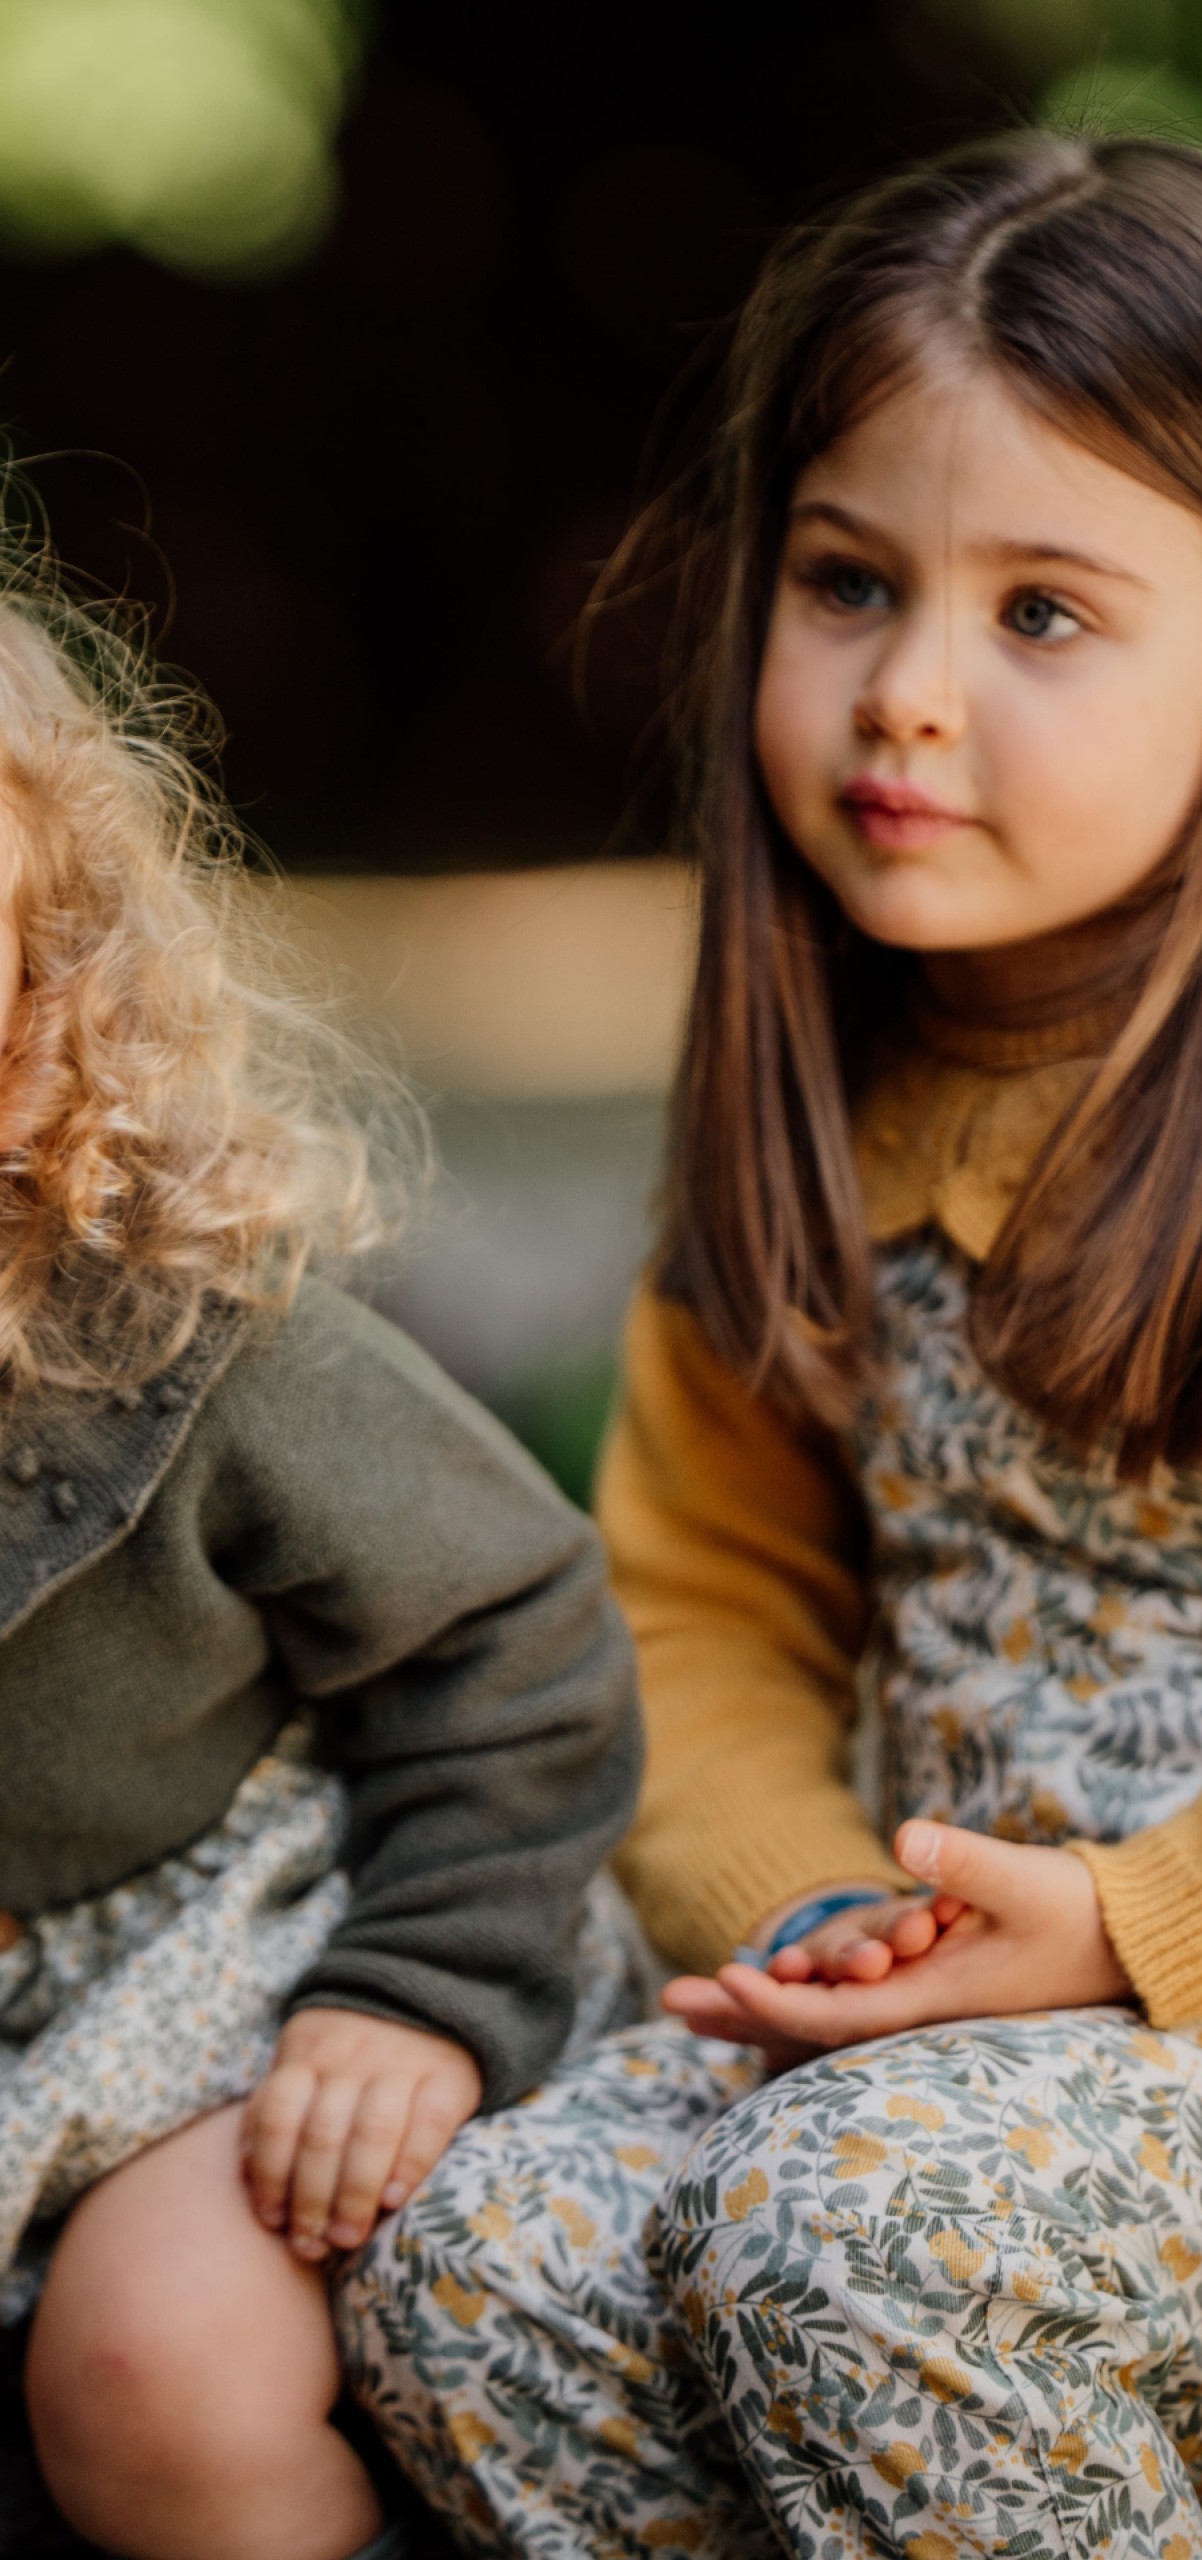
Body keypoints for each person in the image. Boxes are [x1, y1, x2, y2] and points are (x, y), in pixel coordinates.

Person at [339, 129, 1202, 2559]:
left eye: (1044, 616)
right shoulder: (815, 1107)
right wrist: (829, 1922)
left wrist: (1120, 1928)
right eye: (849, 582)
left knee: (853, 2232)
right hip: (956, 2050)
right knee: (468, 2271)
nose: (906, 693)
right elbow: (694, 1612)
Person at [0, 562, 643, 2560]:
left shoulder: (197, 1336)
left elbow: (520, 1639)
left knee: (156, 2375)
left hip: (250, 1964)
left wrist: (419, 1987)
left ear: (43, 1027)